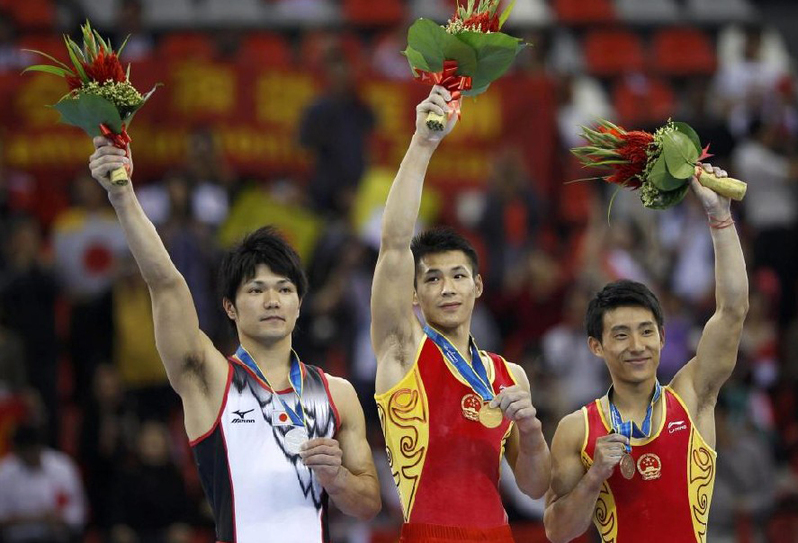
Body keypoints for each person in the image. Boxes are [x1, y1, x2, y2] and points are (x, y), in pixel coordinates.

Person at [87, 137, 381, 543]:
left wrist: (337, 477)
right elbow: (166, 284)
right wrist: (122, 196)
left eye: (284, 289)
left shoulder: (337, 394)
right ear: (229, 307)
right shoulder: (209, 379)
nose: (272, 300)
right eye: (256, 290)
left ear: (299, 303)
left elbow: (367, 504)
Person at [371, 86, 551, 543]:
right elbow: (394, 244)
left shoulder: (510, 375)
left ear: (479, 286)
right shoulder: (403, 351)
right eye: (432, 279)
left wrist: (531, 431)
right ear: (413, 296)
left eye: (457, 276)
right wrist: (423, 143)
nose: (447, 288)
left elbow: (533, 486)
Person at [544, 164, 749, 543]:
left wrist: (720, 218)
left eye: (646, 332)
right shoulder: (577, 430)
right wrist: (593, 478)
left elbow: (732, 311)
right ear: (597, 345)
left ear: (662, 338)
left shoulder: (692, 397)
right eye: (621, 335)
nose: (637, 346)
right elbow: (557, 533)